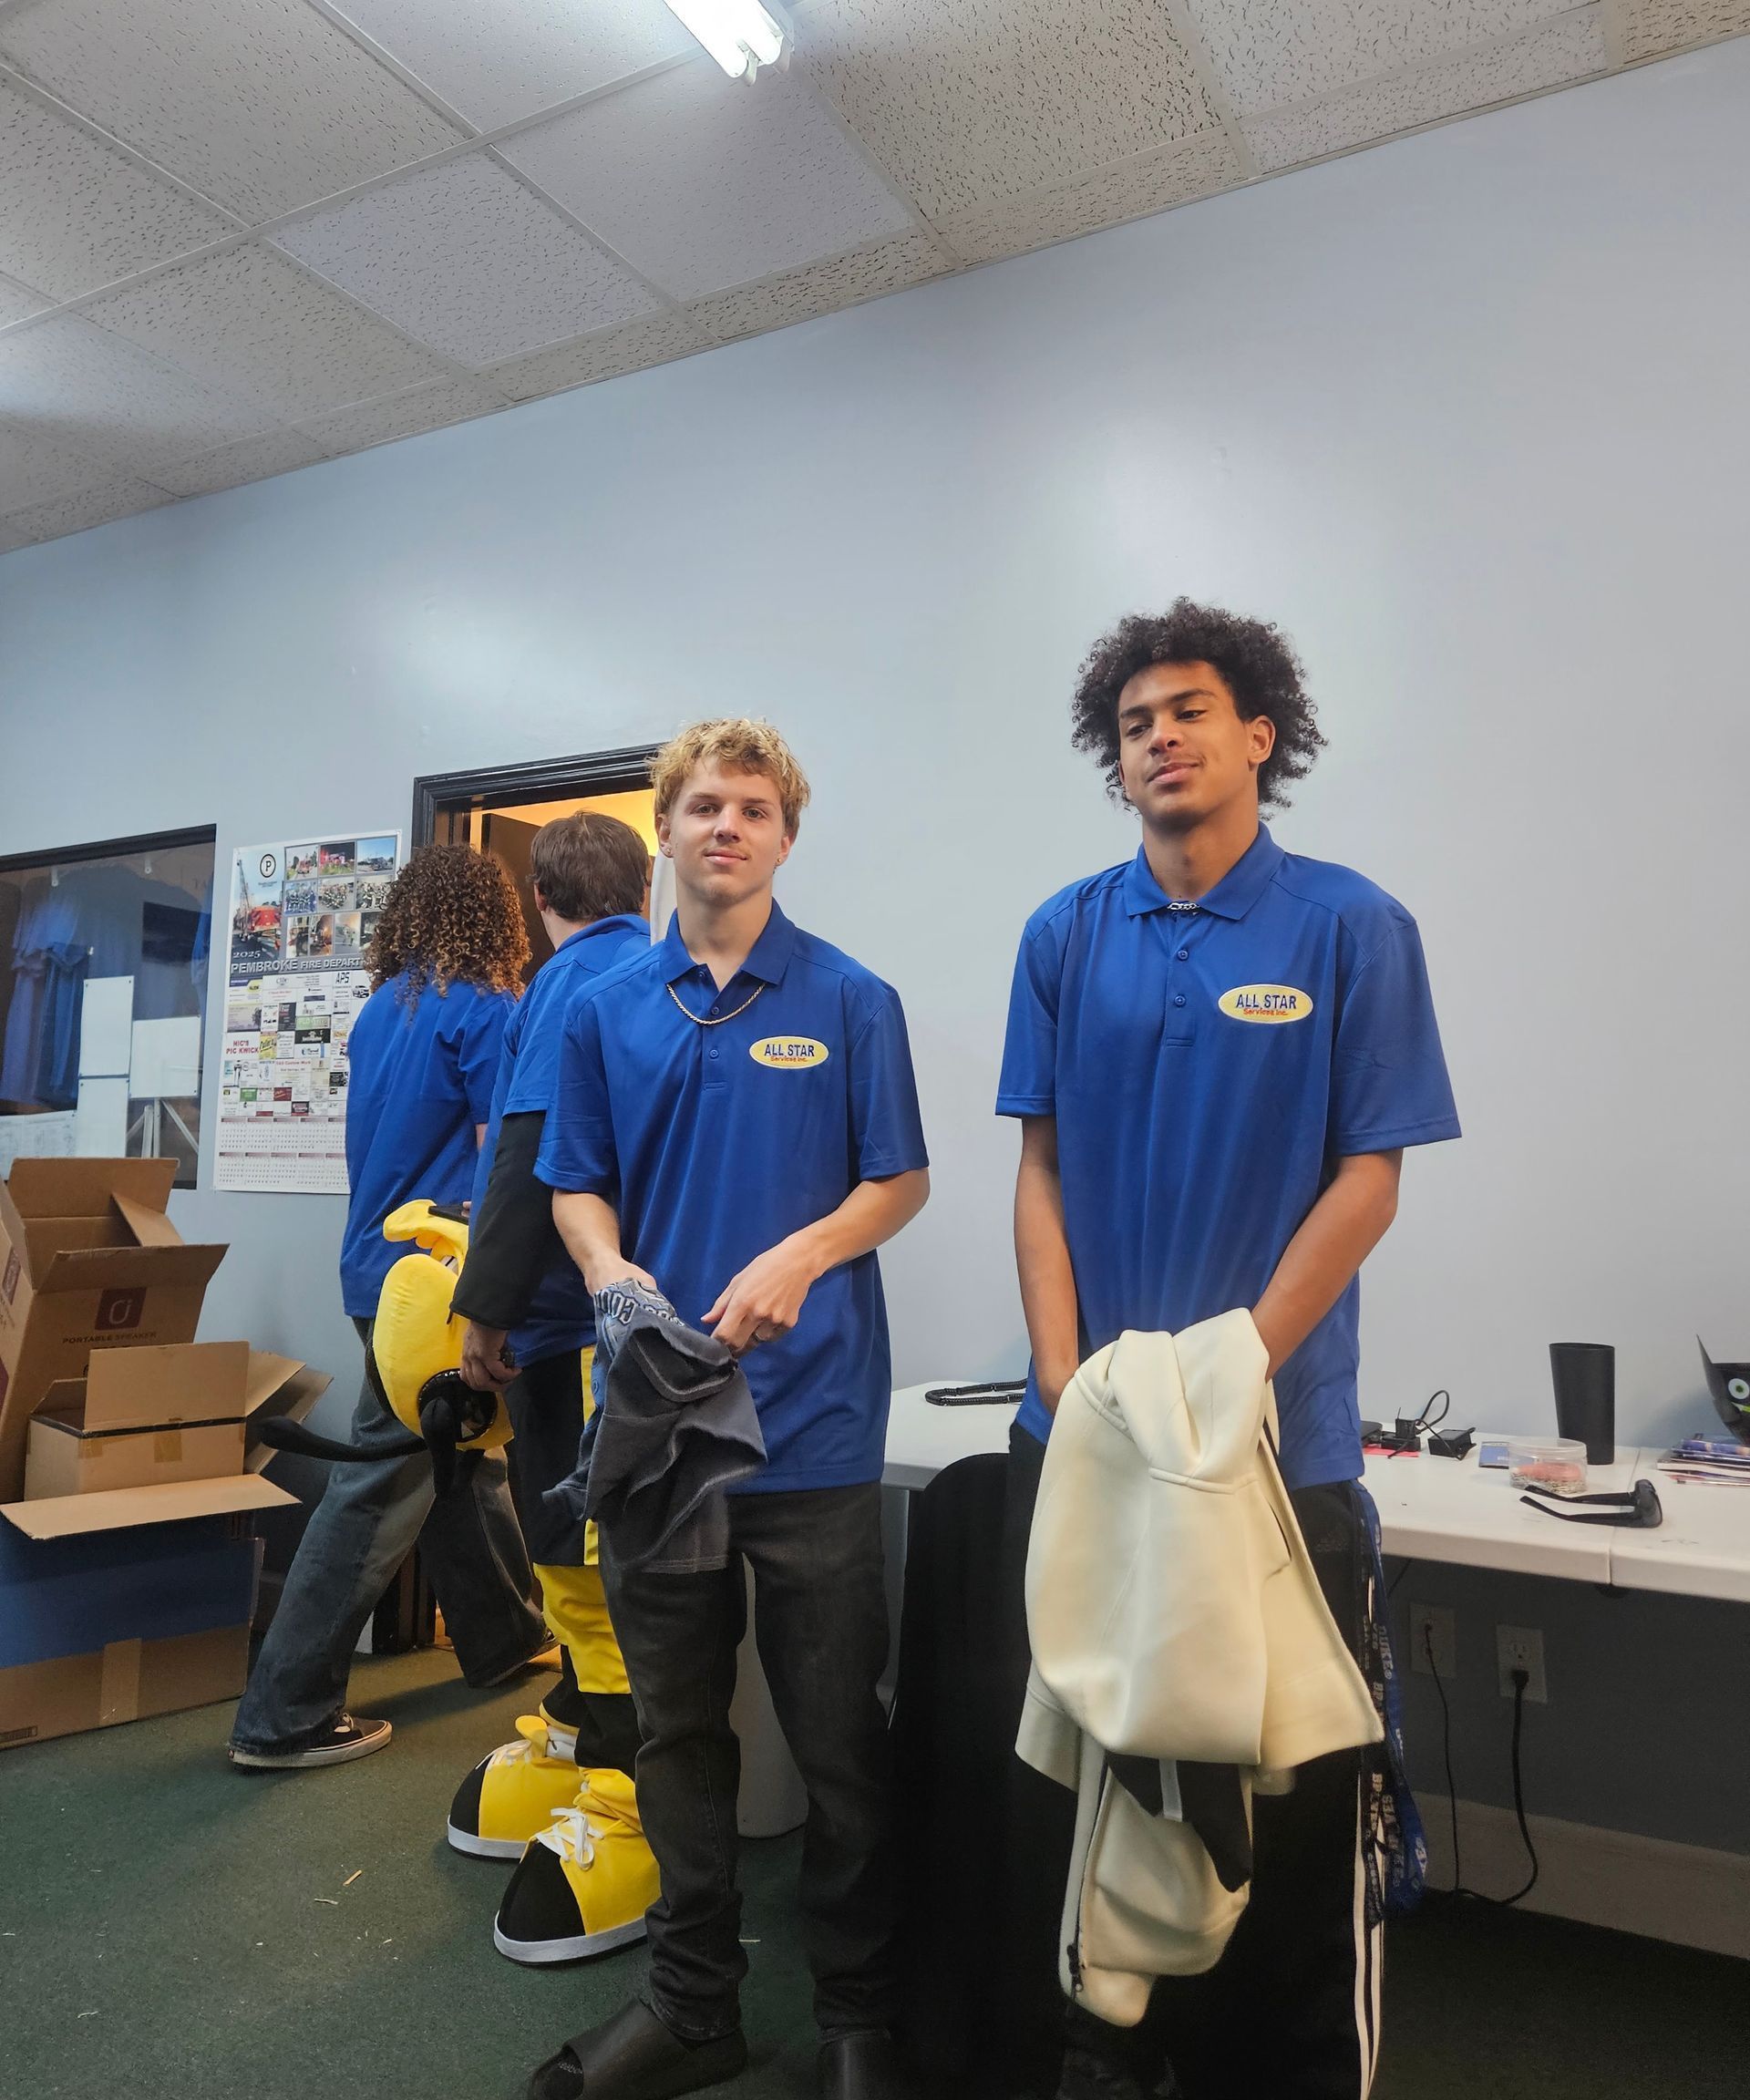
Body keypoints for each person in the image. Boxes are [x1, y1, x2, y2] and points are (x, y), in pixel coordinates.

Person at [998, 602, 1460, 2100]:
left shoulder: (1350, 924)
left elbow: (1370, 1175)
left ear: (1260, 732)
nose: (1161, 737)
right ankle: (1125, 2056)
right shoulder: (1064, 930)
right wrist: (1065, 1376)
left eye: (1190, 709)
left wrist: (1233, 1368)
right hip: (1093, 1442)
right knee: (1107, 1785)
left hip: (1275, 1455)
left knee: (1294, 1813)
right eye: (1134, 722)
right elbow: (1041, 1170)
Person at [530, 720, 930, 2100]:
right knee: (677, 1735)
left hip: (809, 1436)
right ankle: (693, 2006)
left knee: (838, 1747)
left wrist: (803, 1251)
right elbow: (572, 1179)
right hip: (655, 1436)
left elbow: (899, 1183)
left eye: (754, 808)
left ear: (785, 834)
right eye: (703, 805)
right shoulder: (600, 1008)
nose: (727, 827)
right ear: (668, 827)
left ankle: (858, 2018)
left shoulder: (851, 998)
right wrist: (606, 1265)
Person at [229, 845, 547, 1771]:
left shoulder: (382, 1011)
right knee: (385, 1478)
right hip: (442, 1287)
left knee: (457, 1458)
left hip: (378, 1270)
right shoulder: (490, 1012)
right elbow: (503, 1161)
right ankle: (280, 1716)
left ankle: (503, 1636)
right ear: (495, 918)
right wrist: (507, 1291)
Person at [445, 811, 655, 1956]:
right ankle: (583, 1735)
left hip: (567, 1329)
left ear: (539, 901)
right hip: (648, 1329)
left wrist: (485, 1310)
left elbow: (525, 1153)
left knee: (575, 1559)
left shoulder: (566, 986)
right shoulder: (670, 970)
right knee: (611, 1558)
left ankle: (624, 1803)